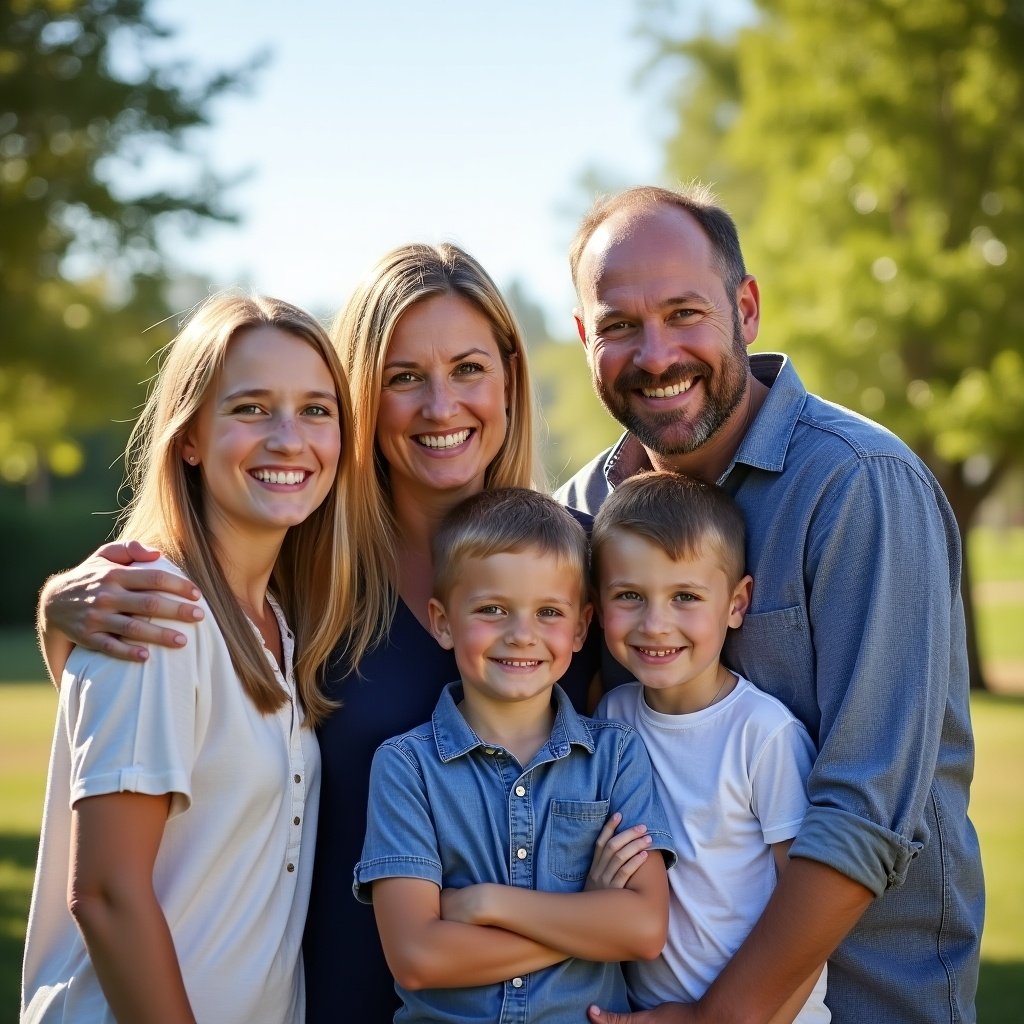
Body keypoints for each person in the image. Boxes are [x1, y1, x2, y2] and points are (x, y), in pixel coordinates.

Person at [34, 243, 602, 1021]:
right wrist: (60, 608)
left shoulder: (581, 566)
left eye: (469, 368)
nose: (441, 407)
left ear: (510, 375)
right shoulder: (303, 569)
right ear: (364, 396)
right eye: (404, 378)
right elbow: (131, 726)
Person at [555, 185, 983, 1023]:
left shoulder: (859, 486)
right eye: (617, 326)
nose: (655, 353)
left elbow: (866, 811)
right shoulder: (581, 513)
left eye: (685, 313)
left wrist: (720, 1021)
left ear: (746, 308)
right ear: (581, 337)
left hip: (867, 1004)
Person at [21, 293, 357, 1023]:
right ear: (190, 439)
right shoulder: (152, 610)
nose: (289, 438)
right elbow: (107, 897)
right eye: (251, 408)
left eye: (316, 409)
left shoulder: (280, 624)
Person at [354, 487, 675, 1022]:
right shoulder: (406, 767)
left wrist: (487, 905)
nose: (521, 635)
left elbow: (643, 931)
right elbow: (418, 958)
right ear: (442, 621)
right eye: (492, 609)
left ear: (580, 628)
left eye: (548, 611)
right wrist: (587, 920)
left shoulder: (616, 756)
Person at [589, 470, 829, 1022]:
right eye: (629, 596)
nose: (656, 624)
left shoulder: (762, 734)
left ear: (737, 603)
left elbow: (806, 911)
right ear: (599, 606)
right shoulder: (611, 719)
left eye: (685, 597)